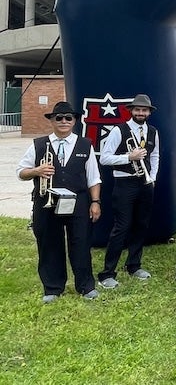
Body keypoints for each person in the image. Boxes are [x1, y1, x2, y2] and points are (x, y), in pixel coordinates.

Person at [17, 102, 102, 303]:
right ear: (52, 121)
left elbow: (94, 178)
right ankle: (53, 288)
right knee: (49, 244)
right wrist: (36, 171)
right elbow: (21, 172)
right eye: (59, 118)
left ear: (74, 121)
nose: (64, 121)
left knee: (81, 243)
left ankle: (85, 286)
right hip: (46, 202)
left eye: (68, 118)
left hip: (79, 202)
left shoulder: (85, 144)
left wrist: (95, 202)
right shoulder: (38, 144)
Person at [97, 93, 159, 288]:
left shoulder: (153, 131)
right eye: (137, 109)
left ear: (149, 112)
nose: (141, 112)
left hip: (145, 183)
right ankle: (107, 273)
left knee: (141, 225)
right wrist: (128, 157)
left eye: (144, 110)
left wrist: (153, 177)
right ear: (131, 111)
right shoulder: (118, 130)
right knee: (121, 227)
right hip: (125, 184)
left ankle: (134, 265)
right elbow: (104, 158)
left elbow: (155, 155)